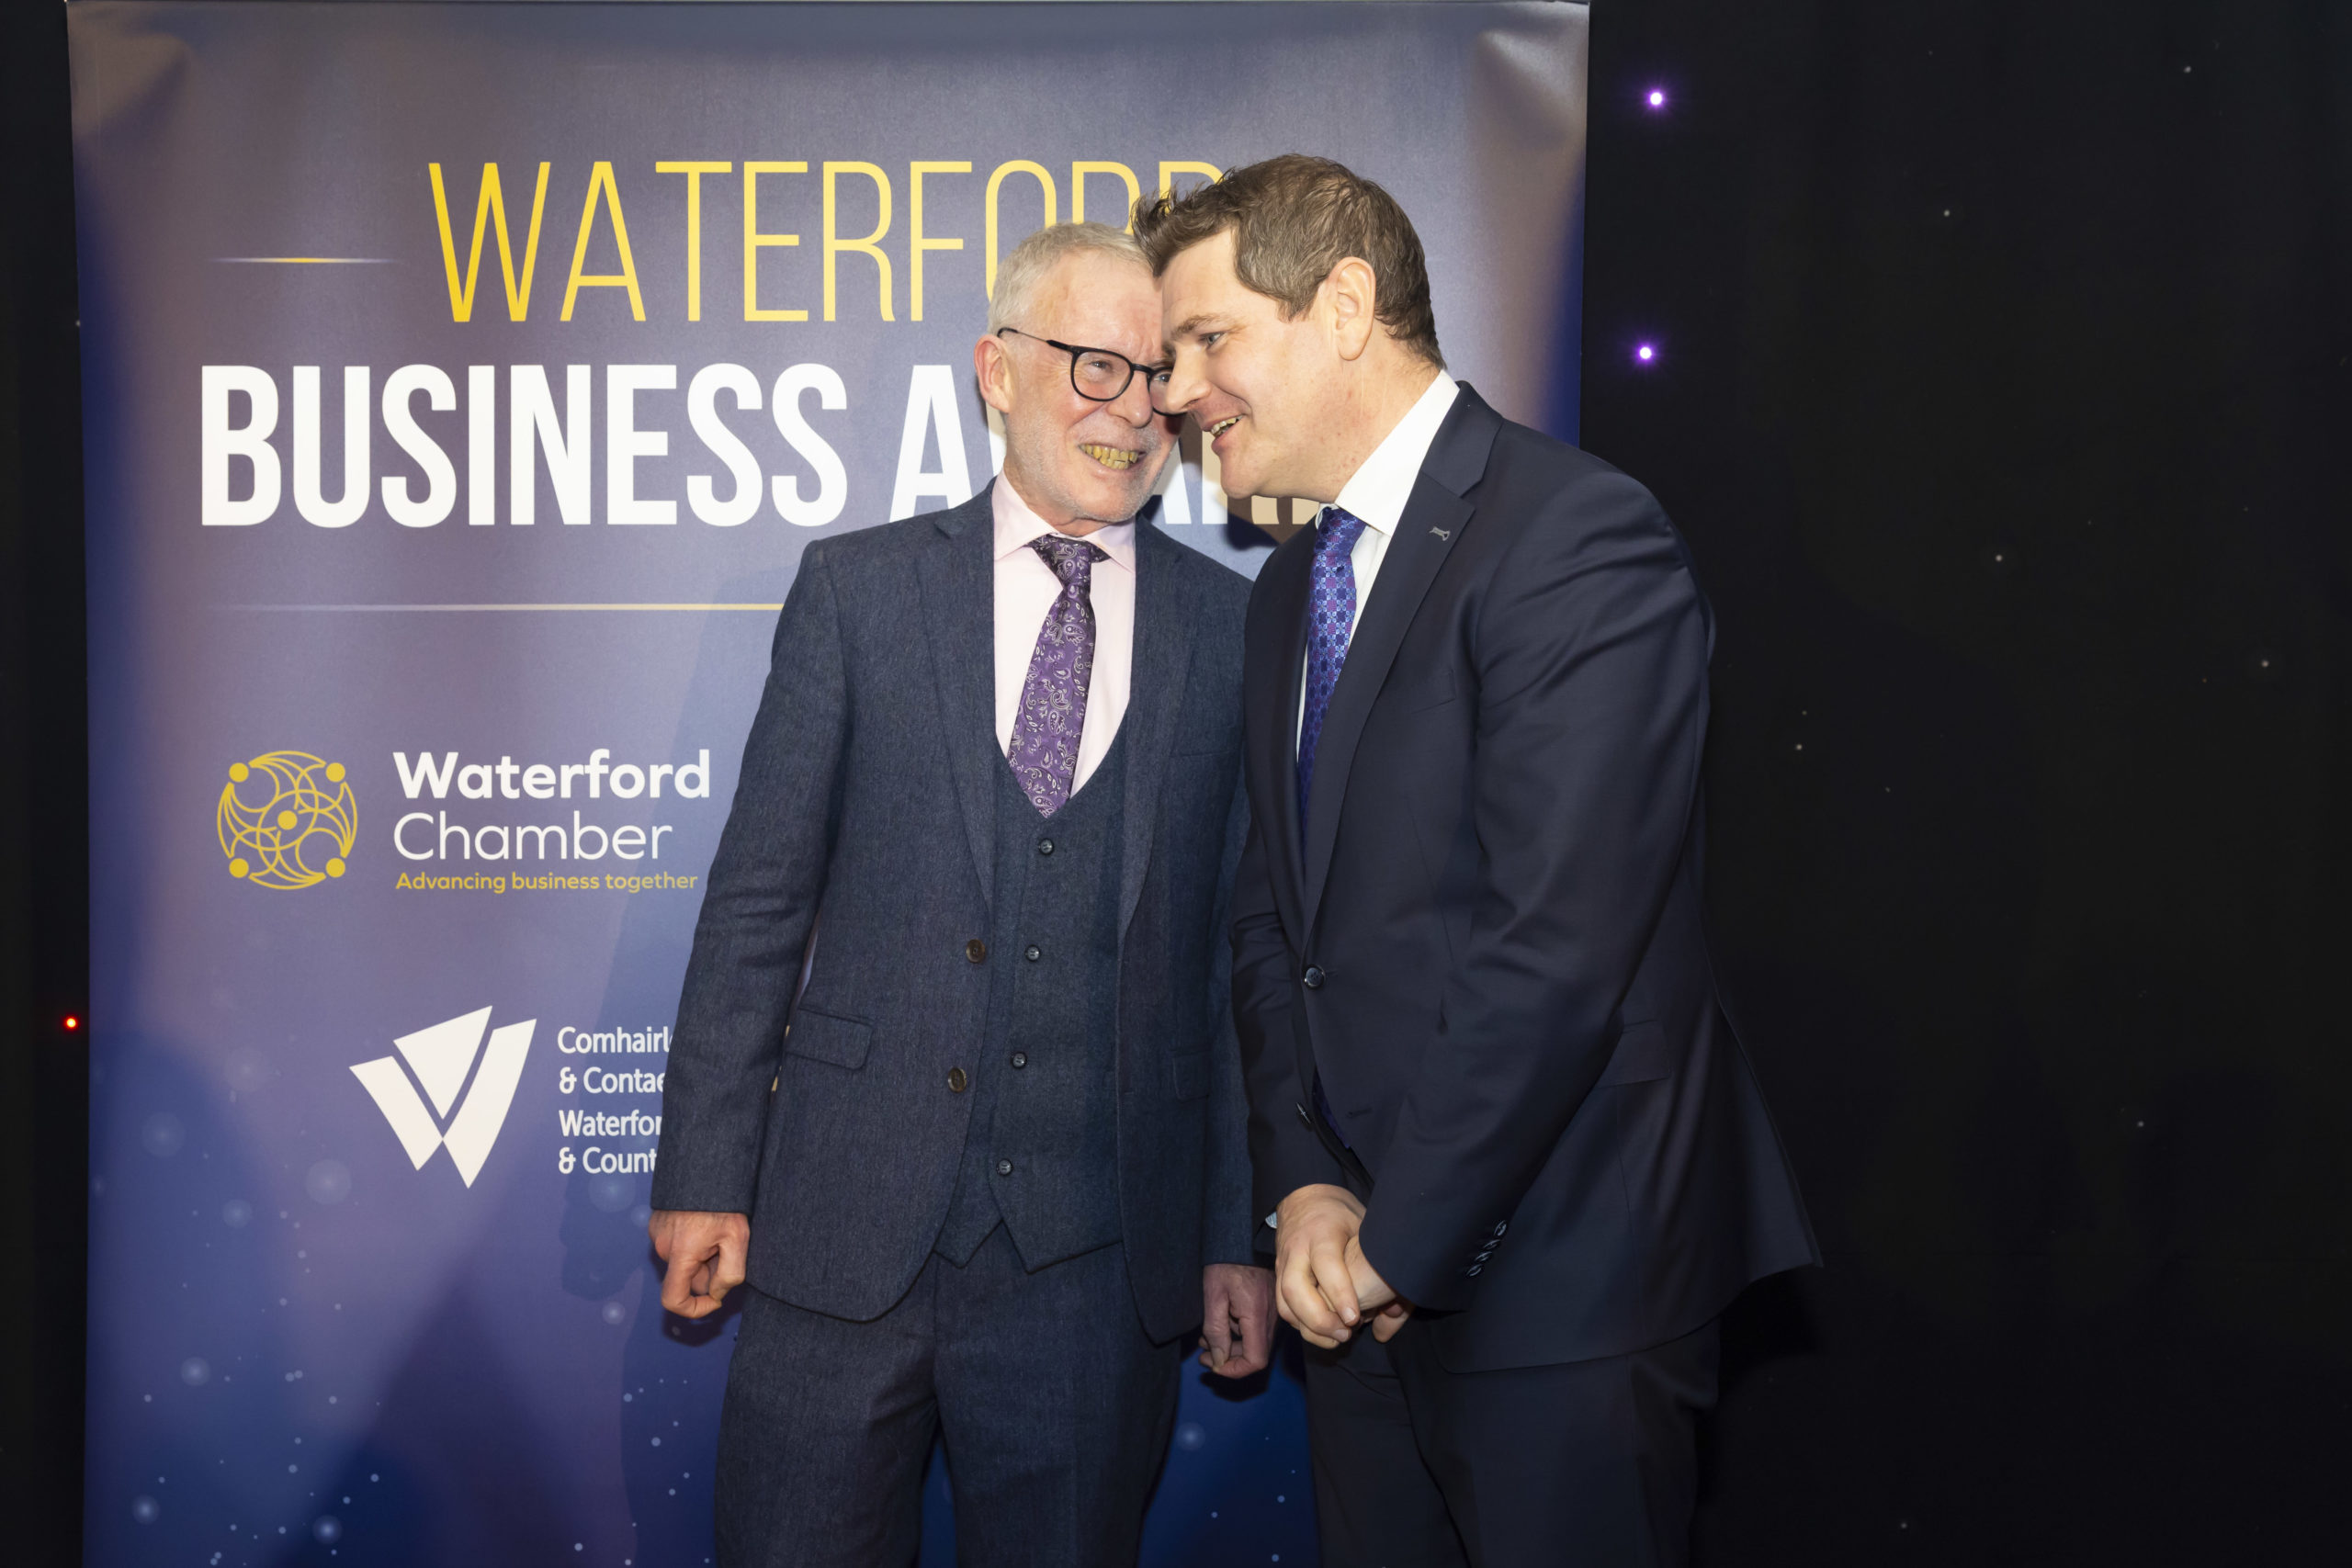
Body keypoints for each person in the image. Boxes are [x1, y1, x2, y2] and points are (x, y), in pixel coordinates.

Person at [1138, 156, 1817, 1568]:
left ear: (1342, 306)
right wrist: (1304, 1187)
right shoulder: (1290, 591)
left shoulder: (1576, 536)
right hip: (1357, 1293)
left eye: (1207, 339)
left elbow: (1558, 946)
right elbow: (1271, 926)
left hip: (1564, 1290)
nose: (1176, 390)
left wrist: (1402, 1241)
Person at [647, 220, 1272, 1568]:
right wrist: (703, 1173)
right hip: (840, 1235)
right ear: (998, 370)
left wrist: (1237, 1235)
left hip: (1097, 1272)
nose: (1133, 412)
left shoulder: (1233, 636)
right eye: (1096, 366)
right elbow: (757, 905)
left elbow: (1241, 971)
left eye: (1157, 376)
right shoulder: (858, 594)